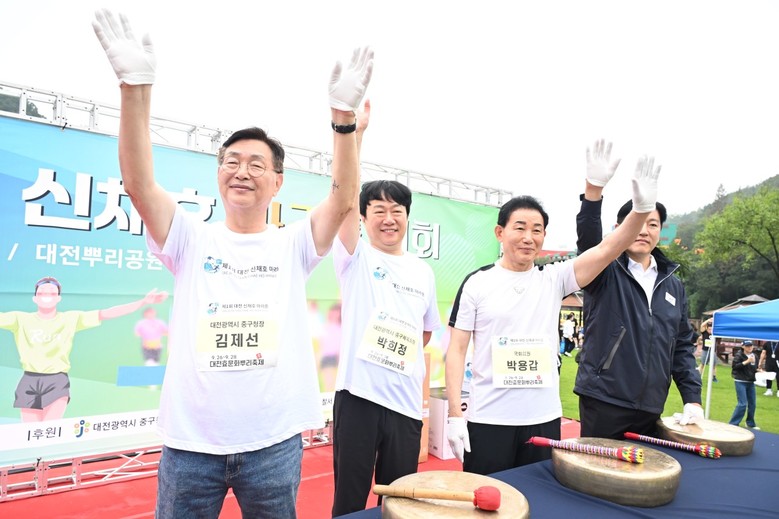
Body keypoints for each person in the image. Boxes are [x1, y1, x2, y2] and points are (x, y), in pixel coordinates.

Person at [92, 9, 373, 518]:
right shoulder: (189, 238)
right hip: (191, 448)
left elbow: (343, 200)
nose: (242, 171)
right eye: (231, 162)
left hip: (273, 446)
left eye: (256, 164)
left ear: (277, 182)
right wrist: (134, 89)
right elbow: (138, 184)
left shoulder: (294, 244)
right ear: (219, 173)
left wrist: (344, 123)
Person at [445, 142, 661, 475]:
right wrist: (454, 415)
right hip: (488, 418)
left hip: (542, 420)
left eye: (537, 230)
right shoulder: (477, 282)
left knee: (538, 498)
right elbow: (456, 350)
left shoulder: (554, 278)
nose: (528, 237)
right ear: (500, 232)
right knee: (487, 497)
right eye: (520, 227)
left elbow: (608, 249)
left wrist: (641, 210)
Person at [330, 101, 441, 516]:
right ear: (363, 217)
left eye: (397, 211)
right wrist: (355, 136)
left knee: (400, 503)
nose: (389, 218)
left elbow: (423, 333)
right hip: (358, 398)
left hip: (405, 407)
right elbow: (343, 195)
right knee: (350, 501)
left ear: (408, 217)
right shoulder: (354, 256)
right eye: (379, 210)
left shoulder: (423, 271)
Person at [573, 140, 703, 440]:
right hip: (604, 400)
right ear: (621, 229)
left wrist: (692, 399)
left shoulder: (673, 284)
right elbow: (590, 243)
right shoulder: (605, 271)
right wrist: (593, 194)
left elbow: (682, 345)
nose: (644, 230)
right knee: (598, 469)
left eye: (652, 224)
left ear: (660, 231)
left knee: (644, 471)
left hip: (650, 406)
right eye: (637, 221)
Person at [0, 276, 166, 422]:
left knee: (50, 430)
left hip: (57, 380)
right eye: (42, 292)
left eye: (52, 293)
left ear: (58, 298)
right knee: (29, 433)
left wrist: (143, 302)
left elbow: (107, 313)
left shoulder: (71, 318)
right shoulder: (19, 319)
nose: (47, 296)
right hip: (29, 379)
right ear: (35, 298)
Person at [729, 340, 760, 429]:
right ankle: (733, 423)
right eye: (747, 346)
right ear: (743, 347)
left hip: (750, 382)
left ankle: (750, 423)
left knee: (752, 403)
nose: (750, 348)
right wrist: (747, 361)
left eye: (751, 346)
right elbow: (735, 367)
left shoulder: (755, 356)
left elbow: (753, 368)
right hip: (740, 381)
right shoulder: (739, 355)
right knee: (742, 403)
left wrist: (759, 371)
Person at [698, 317, 718, 382]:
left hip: (713, 351)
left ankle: (714, 377)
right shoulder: (704, 332)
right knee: (702, 364)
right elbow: (702, 325)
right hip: (705, 350)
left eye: (711, 329)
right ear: (707, 328)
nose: (710, 330)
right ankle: (699, 376)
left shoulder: (714, 334)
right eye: (709, 329)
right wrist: (708, 320)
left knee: (714, 365)